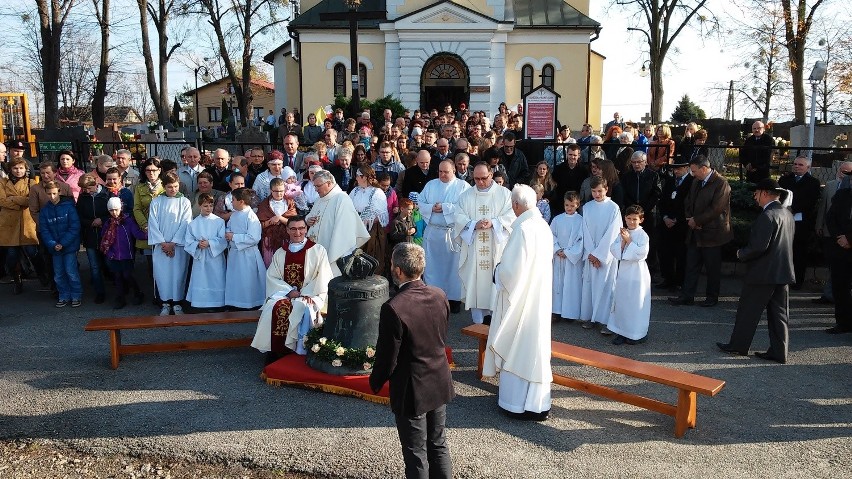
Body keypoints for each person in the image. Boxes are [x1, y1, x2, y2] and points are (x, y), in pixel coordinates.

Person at [369, 243, 454, 479]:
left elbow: (388, 356)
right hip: (438, 378)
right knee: (438, 444)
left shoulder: (394, 307)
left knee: (416, 451)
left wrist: (376, 381)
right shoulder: (439, 295)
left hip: (412, 387)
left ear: (397, 271)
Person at [484, 184, 553, 420]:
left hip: (521, 300)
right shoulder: (543, 226)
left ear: (515, 205)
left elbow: (511, 273)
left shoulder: (522, 230)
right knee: (535, 347)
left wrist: (497, 271)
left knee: (517, 345)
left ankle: (515, 404)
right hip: (538, 298)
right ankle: (537, 404)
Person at [718, 179, 794, 363]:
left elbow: (759, 246)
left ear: (765, 193)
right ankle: (779, 351)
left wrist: (740, 253)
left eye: (757, 192)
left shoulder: (767, 215)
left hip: (762, 272)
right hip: (782, 272)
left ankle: (738, 345)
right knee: (779, 314)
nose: (754, 196)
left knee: (748, 311)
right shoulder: (787, 214)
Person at [252, 216, 333, 361]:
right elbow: (272, 277)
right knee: (273, 307)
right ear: (287, 230)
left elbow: (323, 277)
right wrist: (289, 291)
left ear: (306, 229)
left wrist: (304, 293)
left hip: (310, 294)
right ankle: (277, 351)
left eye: (301, 228)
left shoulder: (318, 250)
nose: (298, 233)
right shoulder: (281, 252)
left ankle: (299, 351)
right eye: (293, 229)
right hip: (285, 294)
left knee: (302, 306)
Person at [454, 163, 514, 325]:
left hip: (496, 247)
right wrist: (473, 225)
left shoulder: (505, 194)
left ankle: (497, 321)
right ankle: (478, 322)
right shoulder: (466, 196)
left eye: (484, 178)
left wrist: (494, 223)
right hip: (474, 248)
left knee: (496, 282)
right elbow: (458, 217)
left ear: (491, 175)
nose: (480, 182)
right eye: (476, 179)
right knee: (475, 281)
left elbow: (512, 215)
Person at [669, 156, 732, 307]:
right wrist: (690, 218)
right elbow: (688, 201)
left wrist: (697, 220)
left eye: (694, 171)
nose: (692, 174)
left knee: (712, 268)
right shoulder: (696, 182)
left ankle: (712, 297)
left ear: (704, 169)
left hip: (713, 233)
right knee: (691, 266)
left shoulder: (721, 183)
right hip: (695, 232)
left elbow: (717, 208)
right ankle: (687, 296)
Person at [418, 160, 470, 313]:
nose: (442, 175)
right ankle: (433, 298)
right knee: (432, 267)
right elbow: (420, 202)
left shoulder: (462, 186)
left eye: (446, 172)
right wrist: (431, 208)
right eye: (440, 171)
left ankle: (453, 300)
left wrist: (445, 208)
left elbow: (465, 207)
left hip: (452, 232)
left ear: (453, 170)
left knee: (453, 268)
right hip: (434, 232)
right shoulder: (431, 185)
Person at [305, 170, 369, 276]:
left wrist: (333, 253)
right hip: (317, 250)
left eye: (318, 186)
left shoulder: (342, 199)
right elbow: (311, 215)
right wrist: (308, 220)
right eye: (314, 186)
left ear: (329, 183)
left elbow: (344, 231)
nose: (316, 190)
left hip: (333, 252)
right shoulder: (319, 199)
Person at [579, 176, 622, 333]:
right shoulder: (588, 207)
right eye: (594, 191)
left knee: (606, 286)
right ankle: (591, 317)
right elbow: (585, 231)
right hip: (591, 255)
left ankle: (606, 321)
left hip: (606, 256)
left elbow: (613, 234)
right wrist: (591, 253)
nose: (597, 194)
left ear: (606, 189)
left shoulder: (613, 208)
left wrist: (599, 254)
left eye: (600, 191)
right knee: (590, 285)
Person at [148, 171, 192, 316]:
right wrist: (163, 243)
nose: (173, 189)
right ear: (164, 186)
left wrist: (173, 243)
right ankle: (165, 303)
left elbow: (186, 222)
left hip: (178, 247)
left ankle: (178, 303)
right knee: (163, 274)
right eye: (169, 187)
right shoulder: (156, 201)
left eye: (175, 186)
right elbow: (153, 223)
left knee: (178, 273)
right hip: (161, 246)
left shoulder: (184, 201)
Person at [1, 158, 46, 294]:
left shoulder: (32, 182)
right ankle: (17, 279)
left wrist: (13, 198)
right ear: (10, 169)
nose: (18, 171)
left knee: (33, 251)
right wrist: (21, 202)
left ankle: (42, 273)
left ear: (25, 169)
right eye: (15, 168)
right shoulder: (2, 183)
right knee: (11, 255)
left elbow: (31, 201)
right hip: (8, 223)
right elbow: (2, 201)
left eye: (21, 168)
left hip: (27, 222)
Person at [608, 205, 652, 345]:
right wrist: (622, 241)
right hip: (624, 272)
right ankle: (621, 331)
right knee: (622, 301)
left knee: (636, 302)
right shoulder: (622, 232)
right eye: (629, 219)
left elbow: (641, 253)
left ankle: (636, 333)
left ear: (641, 220)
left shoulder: (643, 235)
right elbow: (614, 250)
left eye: (635, 219)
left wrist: (628, 241)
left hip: (637, 272)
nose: (631, 222)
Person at [777, 156, 821, 289]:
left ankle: (797, 281)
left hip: (802, 222)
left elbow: (811, 201)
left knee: (799, 252)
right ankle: (780, 278)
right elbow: (778, 196)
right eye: (795, 164)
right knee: (782, 250)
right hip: (784, 219)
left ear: (808, 168)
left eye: (800, 165)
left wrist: (794, 208)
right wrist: (786, 208)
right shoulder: (785, 179)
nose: (796, 166)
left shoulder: (813, 182)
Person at [38, 181, 82, 308]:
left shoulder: (69, 207)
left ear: (59, 192)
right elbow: (44, 230)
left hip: (68, 246)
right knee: (58, 274)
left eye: (54, 193)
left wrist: (63, 243)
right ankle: (63, 295)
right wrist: (53, 244)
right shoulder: (45, 211)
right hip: (55, 248)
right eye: (49, 194)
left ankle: (76, 295)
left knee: (71, 272)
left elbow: (74, 227)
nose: (52, 196)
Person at [814, 162, 852, 304]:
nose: (844, 174)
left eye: (848, 172)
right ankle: (830, 295)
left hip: (847, 237)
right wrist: (820, 225)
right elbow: (825, 209)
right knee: (832, 265)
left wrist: (848, 238)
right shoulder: (831, 186)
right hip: (831, 233)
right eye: (843, 171)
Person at [100, 197, 147, 309]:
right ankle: (120, 298)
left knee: (128, 275)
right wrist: (109, 253)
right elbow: (104, 238)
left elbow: (137, 234)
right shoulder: (108, 223)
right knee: (117, 277)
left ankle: (138, 292)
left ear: (121, 208)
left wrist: (149, 235)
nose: (114, 212)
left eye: (116, 209)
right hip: (114, 256)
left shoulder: (128, 221)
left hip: (127, 255)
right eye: (111, 210)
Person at [224, 188, 266, 309]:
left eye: (233, 200)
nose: (231, 202)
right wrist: (228, 233)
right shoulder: (234, 215)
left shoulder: (251, 216)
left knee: (247, 280)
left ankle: (249, 303)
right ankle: (235, 302)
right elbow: (229, 227)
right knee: (236, 279)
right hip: (235, 253)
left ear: (241, 201)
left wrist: (234, 237)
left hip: (247, 254)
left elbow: (254, 237)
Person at [184, 193, 228, 310]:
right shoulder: (193, 223)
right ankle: (200, 303)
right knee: (201, 279)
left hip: (215, 257)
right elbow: (188, 241)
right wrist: (197, 244)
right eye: (205, 206)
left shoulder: (219, 222)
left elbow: (223, 240)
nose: (208, 208)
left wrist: (210, 243)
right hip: (200, 256)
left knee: (216, 278)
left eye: (210, 205)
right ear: (199, 206)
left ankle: (217, 303)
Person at [656, 160, 694, 291]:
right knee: (666, 252)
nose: (676, 171)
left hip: (681, 224)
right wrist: (665, 217)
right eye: (674, 169)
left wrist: (677, 219)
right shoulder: (671, 181)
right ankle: (668, 278)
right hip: (667, 223)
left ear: (686, 168)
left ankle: (680, 281)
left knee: (681, 253)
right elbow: (662, 201)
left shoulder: (691, 182)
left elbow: (690, 204)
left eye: (679, 169)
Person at [620, 151, 661, 270]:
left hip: (648, 213)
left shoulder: (653, 175)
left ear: (645, 162)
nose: (636, 164)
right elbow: (624, 193)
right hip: (632, 213)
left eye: (639, 162)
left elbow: (657, 194)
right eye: (633, 162)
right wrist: (633, 209)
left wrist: (643, 209)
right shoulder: (627, 176)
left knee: (650, 240)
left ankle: (651, 267)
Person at [824, 170, 852, 334]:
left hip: (848, 242)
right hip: (840, 249)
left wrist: (850, 239)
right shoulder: (842, 195)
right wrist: (839, 238)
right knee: (840, 288)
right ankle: (844, 323)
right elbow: (830, 218)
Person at [134, 157, 165, 302]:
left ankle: (166, 293)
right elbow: (137, 208)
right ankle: (156, 294)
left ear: (159, 171)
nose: (151, 173)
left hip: (165, 230)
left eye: (154, 170)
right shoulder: (140, 188)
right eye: (148, 170)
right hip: (147, 231)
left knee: (165, 264)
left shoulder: (166, 186)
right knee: (151, 264)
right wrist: (144, 225)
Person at [550, 191, 584, 322]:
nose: (569, 208)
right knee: (557, 284)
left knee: (571, 285)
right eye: (566, 205)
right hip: (558, 257)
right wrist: (557, 249)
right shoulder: (557, 219)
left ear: (577, 205)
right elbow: (551, 235)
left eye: (572, 205)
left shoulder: (580, 221)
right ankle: (556, 311)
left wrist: (569, 252)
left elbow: (581, 240)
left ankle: (570, 313)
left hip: (571, 259)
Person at [76, 174, 109, 304]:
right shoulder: (83, 197)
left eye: (89, 188)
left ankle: (119, 288)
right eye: (84, 189)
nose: (87, 192)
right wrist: (90, 223)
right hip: (90, 236)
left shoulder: (106, 194)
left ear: (95, 184)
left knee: (109, 263)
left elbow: (113, 213)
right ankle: (99, 292)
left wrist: (102, 220)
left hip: (106, 235)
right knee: (94, 267)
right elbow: (79, 215)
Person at [257, 177, 298, 267]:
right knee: (270, 263)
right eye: (276, 191)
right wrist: (271, 221)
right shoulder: (264, 204)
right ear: (271, 190)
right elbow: (259, 225)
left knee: (286, 263)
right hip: (270, 239)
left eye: (281, 191)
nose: (279, 193)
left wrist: (280, 218)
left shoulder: (289, 203)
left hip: (286, 237)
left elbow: (294, 222)